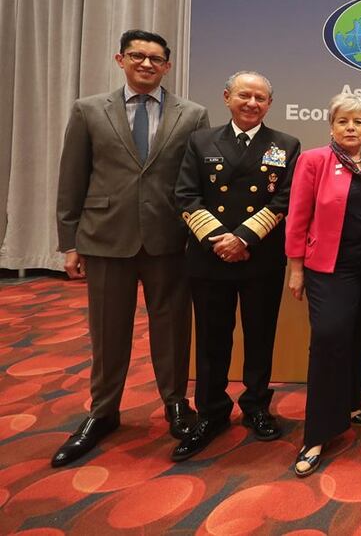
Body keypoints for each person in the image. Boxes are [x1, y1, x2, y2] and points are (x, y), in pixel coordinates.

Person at [53, 29, 209, 467]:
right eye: (137, 56)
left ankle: (176, 404)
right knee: (108, 331)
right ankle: (103, 412)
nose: (146, 64)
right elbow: (72, 178)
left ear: (168, 66)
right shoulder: (88, 111)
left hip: (169, 239)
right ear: (120, 59)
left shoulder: (193, 114)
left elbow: (195, 181)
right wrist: (69, 242)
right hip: (105, 237)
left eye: (155, 59)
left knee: (174, 328)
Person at [170, 71, 301, 461]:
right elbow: (185, 196)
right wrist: (221, 241)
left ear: (269, 104)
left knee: (260, 336)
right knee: (212, 339)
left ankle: (257, 405)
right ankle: (211, 413)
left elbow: (284, 201)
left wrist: (243, 237)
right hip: (210, 258)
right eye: (244, 95)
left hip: (259, 257)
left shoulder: (285, 145)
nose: (252, 103)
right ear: (227, 97)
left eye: (261, 98)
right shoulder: (200, 141)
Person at [284, 93, 361, 477]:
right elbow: (297, 216)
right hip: (329, 268)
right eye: (343, 121)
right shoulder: (314, 160)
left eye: (358, 122)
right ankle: (316, 434)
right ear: (331, 125)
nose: (351, 128)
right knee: (330, 338)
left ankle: (351, 403)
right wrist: (296, 268)